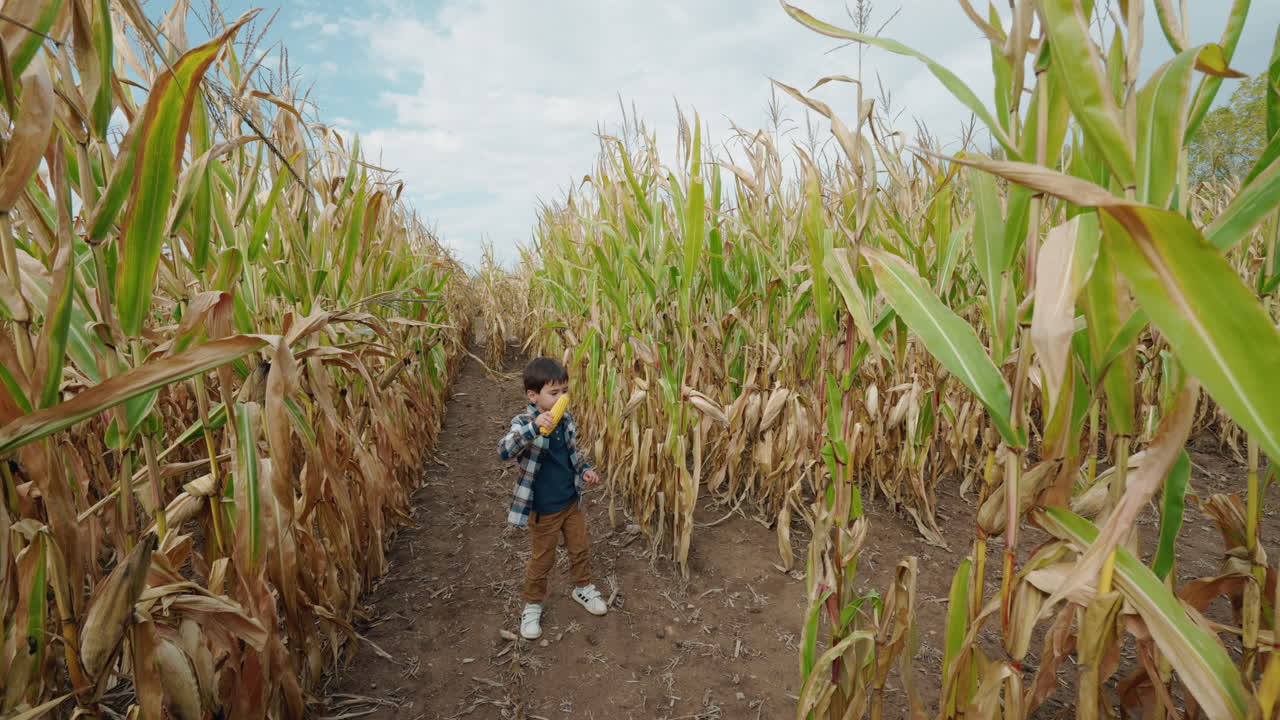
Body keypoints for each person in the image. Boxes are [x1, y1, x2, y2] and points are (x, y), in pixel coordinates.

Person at [498, 357, 607, 640]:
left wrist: (584, 470)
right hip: (543, 509)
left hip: (571, 501)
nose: (562, 397)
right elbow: (505, 450)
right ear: (533, 396)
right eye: (554, 393)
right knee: (542, 560)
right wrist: (534, 427)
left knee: (580, 547)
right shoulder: (523, 423)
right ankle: (532, 605)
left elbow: (571, 454)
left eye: (564, 391)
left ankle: (582, 588)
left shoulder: (565, 419)